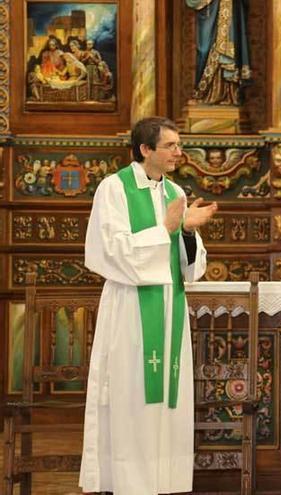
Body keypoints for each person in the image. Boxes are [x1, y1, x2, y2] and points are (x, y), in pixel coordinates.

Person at [79, 117, 218, 494]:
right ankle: (127, 484)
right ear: (145, 149)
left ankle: (161, 483)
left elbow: (191, 267)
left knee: (165, 402)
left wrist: (187, 232)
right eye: (170, 145)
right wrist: (167, 229)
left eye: (178, 144)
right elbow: (109, 251)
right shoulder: (114, 189)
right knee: (130, 396)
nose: (178, 152)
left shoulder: (175, 191)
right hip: (130, 310)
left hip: (170, 309)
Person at [186, 0, 251, 104]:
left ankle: (230, 94)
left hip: (230, 8)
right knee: (204, 50)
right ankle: (202, 93)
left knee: (230, 49)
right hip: (209, 10)